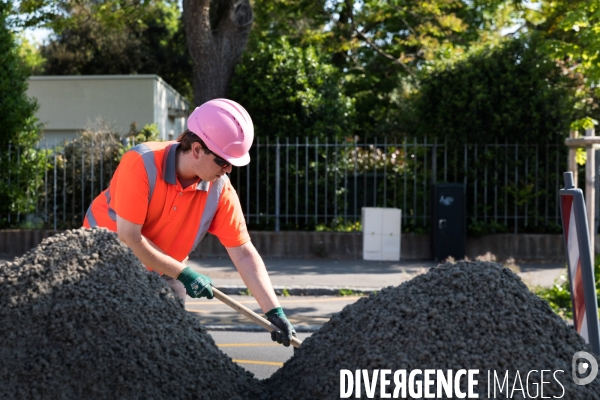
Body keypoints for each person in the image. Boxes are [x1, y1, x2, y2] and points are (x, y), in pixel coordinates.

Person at [83, 98, 296, 347]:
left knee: (169, 350)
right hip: (103, 263)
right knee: (108, 347)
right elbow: (130, 238)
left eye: (232, 164)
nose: (228, 170)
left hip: (164, 271)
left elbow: (244, 254)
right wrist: (185, 274)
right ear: (196, 149)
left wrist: (274, 312)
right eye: (223, 161)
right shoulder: (141, 162)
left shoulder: (219, 191)